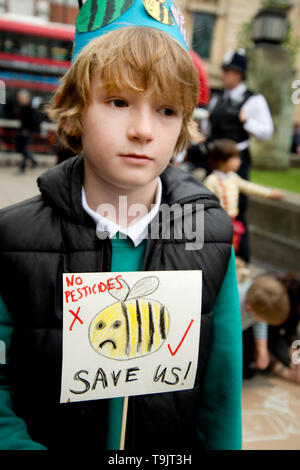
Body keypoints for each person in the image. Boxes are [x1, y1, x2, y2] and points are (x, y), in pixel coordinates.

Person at [0, 0, 242, 451]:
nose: (143, 129)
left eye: (168, 110)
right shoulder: (12, 241)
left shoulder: (209, 238)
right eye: (118, 101)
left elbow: (221, 398)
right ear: (76, 108)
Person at [203, 49, 274, 262]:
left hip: (236, 161)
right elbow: (208, 128)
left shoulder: (254, 100)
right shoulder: (218, 98)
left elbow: (266, 131)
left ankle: (240, 259)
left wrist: (246, 121)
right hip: (214, 160)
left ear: (238, 74)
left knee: (236, 208)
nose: (223, 75)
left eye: (227, 71)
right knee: (209, 204)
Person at [203, 139, 282, 254]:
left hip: (232, 222)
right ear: (222, 159)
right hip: (217, 224)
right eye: (235, 158)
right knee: (219, 251)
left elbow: (249, 187)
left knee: (231, 249)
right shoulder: (212, 180)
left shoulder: (232, 177)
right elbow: (206, 203)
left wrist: (269, 193)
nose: (239, 161)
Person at [239, 275, 290, 379]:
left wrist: (262, 349)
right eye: (264, 319)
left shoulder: (254, 299)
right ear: (249, 308)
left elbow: (259, 322)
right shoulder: (236, 304)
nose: (263, 321)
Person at [15, 89, 38, 173]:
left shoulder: (30, 108)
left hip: (26, 131)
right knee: (20, 148)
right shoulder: (23, 107)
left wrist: (27, 130)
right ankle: (33, 160)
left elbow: (33, 121)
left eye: (20, 97)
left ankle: (23, 167)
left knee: (23, 148)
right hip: (22, 130)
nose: (19, 99)